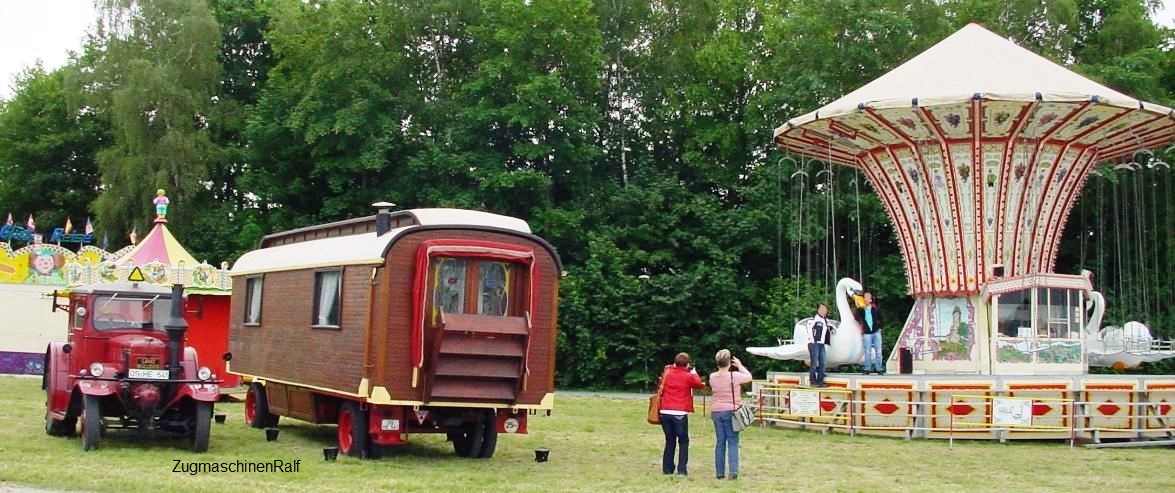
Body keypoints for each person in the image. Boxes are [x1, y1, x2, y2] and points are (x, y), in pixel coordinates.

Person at [657, 352, 705, 476]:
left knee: (670, 440)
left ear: (675, 362)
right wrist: (694, 372)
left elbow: (660, 385)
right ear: (687, 364)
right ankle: (682, 469)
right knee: (683, 441)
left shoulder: (667, 373)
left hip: (665, 410)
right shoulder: (688, 376)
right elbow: (698, 384)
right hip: (679, 411)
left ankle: (667, 468)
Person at [709, 349, 753, 480]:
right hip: (731, 410)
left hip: (716, 411)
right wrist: (739, 365)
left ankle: (719, 472)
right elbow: (749, 377)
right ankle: (733, 471)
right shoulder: (735, 376)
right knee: (733, 441)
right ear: (729, 362)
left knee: (720, 442)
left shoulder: (712, 377)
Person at [855, 292, 885, 374]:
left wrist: (880, 328)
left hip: (876, 332)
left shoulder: (875, 308)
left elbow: (881, 319)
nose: (865, 299)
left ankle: (879, 368)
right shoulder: (861, 310)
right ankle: (867, 368)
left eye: (867, 298)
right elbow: (856, 318)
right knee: (867, 352)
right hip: (867, 333)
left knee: (878, 351)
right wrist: (859, 308)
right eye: (865, 297)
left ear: (870, 300)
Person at [807, 304, 833, 387]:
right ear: (818, 310)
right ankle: (812, 381)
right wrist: (813, 340)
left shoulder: (825, 320)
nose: (824, 311)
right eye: (822, 309)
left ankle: (820, 381)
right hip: (814, 343)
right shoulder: (814, 319)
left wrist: (832, 329)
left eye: (825, 310)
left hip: (821, 344)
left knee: (823, 363)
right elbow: (809, 329)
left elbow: (831, 327)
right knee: (814, 362)